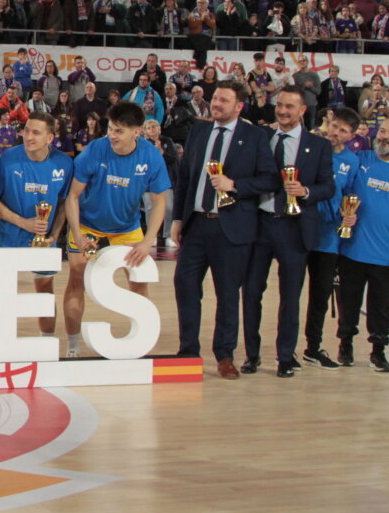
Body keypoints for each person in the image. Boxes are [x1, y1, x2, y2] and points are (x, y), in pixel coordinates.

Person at [171, 80, 276, 379]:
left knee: (228, 295)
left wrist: (236, 186)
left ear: (239, 106)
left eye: (223, 101)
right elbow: (186, 179)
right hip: (195, 225)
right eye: (215, 99)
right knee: (185, 287)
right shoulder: (200, 130)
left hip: (231, 228)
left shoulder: (255, 136)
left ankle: (225, 355)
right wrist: (177, 219)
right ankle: (188, 351)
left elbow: (270, 179)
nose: (216, 104)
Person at [64, 102, 170, 358]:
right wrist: (77, 234)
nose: (112, 135)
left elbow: (159, 202)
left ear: (137, 132)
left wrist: (147, 241)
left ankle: (141, 341)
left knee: (139, 284)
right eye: (110, 128)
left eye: (119, 131)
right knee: (76, 280)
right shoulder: (94, 150)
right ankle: (72, 345)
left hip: (127, 228)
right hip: (89, 225)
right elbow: (72, 197)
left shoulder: (151, 156)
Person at [242, 85, 334, 377]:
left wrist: (305, 190)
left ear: (302, 110)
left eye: (289, 107)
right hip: (259, 225)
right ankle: (252, 355)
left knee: (290, 297)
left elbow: (328, 187)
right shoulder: (261, 137)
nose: (282, 111)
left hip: (295, 229)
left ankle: (285, 357)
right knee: (252, 292)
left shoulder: (319, 145)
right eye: (279, 105)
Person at [0, 112, 73, 341]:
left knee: (45, 290)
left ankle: (47, 343)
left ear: (50, 138)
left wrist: (54, 233)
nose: (28, 136)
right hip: (7, 236)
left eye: (36, 132)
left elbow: (65, 202)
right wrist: (23, 222)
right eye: (26, 130)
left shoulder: (64, 164)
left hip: (42, 241)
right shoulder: (7, 159)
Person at [302, 107, 361, 370]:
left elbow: (350, 197)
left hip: (328, 238)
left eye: (343, 131)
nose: (336, 133)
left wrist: (349, 216)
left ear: (351, 135)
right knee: (291, 294)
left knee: (320, 296)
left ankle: (312, 348)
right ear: (328, 124)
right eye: (335, 126)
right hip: (300, 231)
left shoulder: (353, 161)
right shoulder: (311, 147)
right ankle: (285, 350)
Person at [335, 117, 389, 372]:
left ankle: (378, 351)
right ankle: (345, 344)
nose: (385, 136)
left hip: (387, 253)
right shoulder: (361, 161)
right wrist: (342, 211)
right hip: (353, 249)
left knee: (381, 307)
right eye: (382, 131)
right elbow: (342, 191)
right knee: (349, 301)